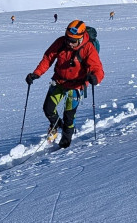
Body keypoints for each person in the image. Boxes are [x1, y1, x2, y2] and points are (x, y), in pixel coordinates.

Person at [25, 20, 104, 149]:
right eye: (68, 39)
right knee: (48, 109)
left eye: (73, 40)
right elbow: (48, 58)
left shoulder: (88, 48)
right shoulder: (60, 42)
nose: (69, 43)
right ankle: (56, 125)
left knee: (69, 115)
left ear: (81, 38)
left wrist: (95, 78)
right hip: (59, 81)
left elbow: (97, 68)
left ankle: (66, 142)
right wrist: (36, 74)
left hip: (76, 86)